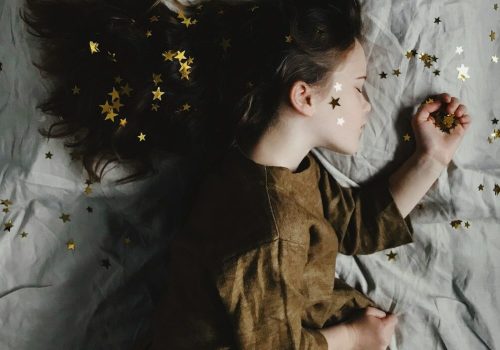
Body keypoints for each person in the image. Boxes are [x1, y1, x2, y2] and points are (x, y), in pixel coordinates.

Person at [137, 1, 471, 350]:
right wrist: (354, 337)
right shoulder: (270, 229)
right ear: (305, 96)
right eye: (358, 88)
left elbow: (357, 224)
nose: (368, 105)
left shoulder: (274, 168)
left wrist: (431, 157)